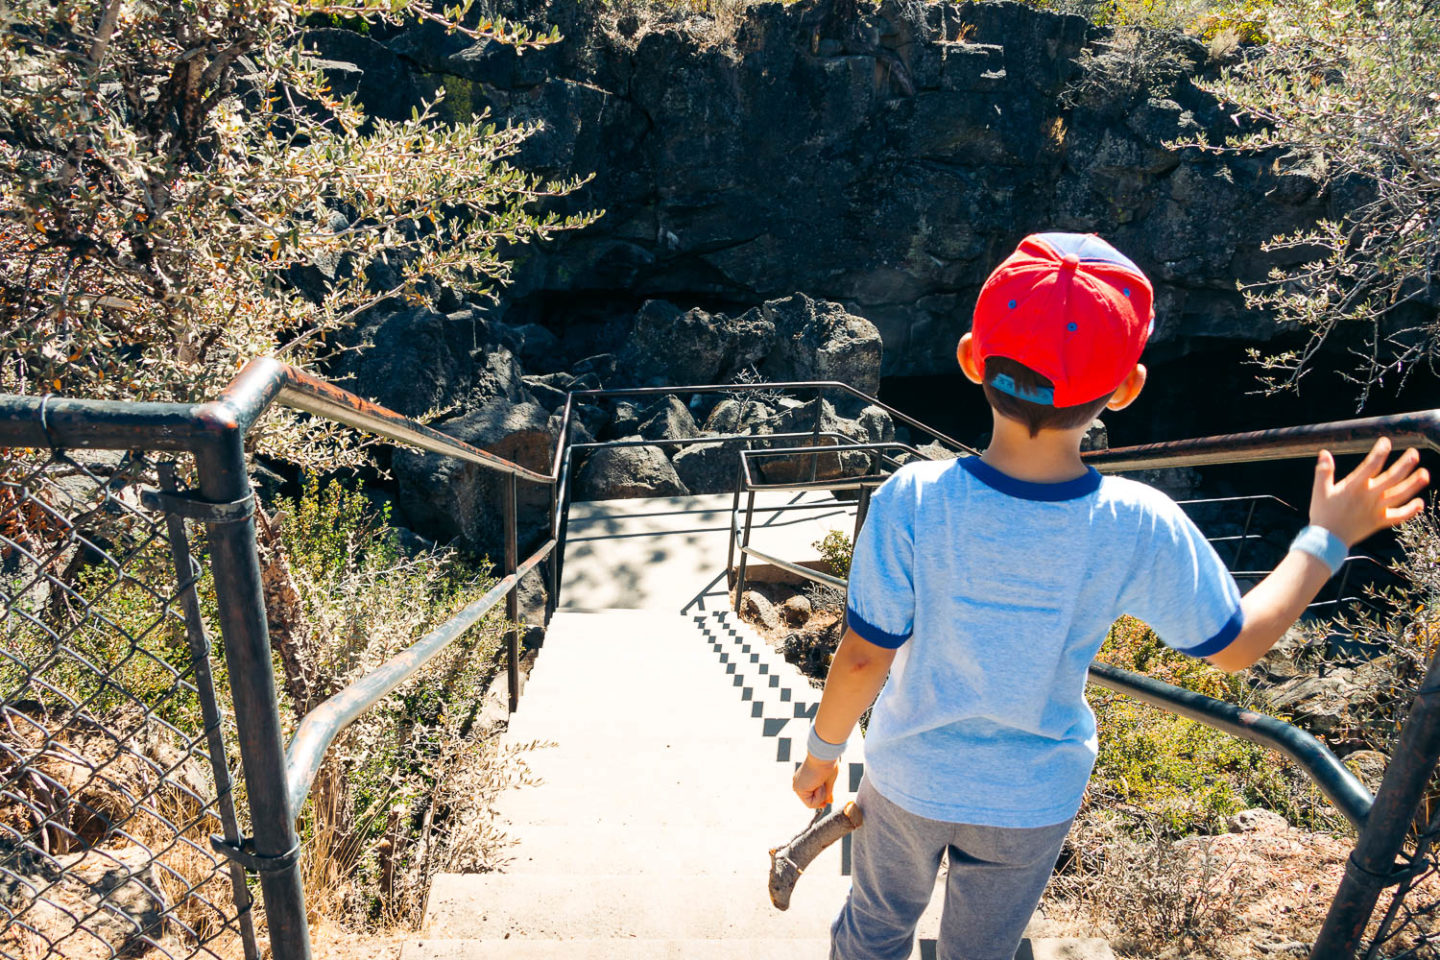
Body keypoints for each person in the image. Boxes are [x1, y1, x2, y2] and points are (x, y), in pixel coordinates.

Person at [791, 232, 1431, 960]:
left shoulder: (913, 498)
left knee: (873, 930)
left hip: (910, 779)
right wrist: (1324, 538)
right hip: (1032, 799)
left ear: (971, 358)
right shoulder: (1135, 519)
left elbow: (864, 657)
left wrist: (821, 755)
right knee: (978, 950)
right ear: (1126, 389)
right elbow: (1239, 644)